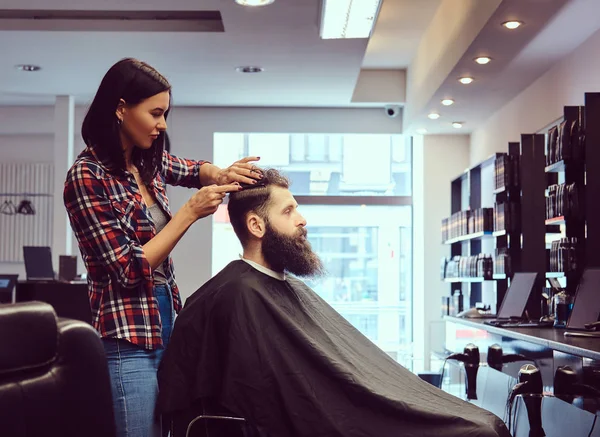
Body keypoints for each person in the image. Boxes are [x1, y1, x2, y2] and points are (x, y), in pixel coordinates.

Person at [157, 168, 511, 437]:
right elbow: (257, 396)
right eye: (289, 211)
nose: (302, 219)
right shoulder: (234, 296)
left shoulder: (280, 288)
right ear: (256, 225)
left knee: (482, 426)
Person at [63, 58, 261, 437]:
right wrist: (188, 213)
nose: (162, 124)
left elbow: (190, 168)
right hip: (127, 336)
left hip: (167, 319)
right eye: (155, 113)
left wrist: (222, 173)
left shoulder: (145, 161)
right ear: (121, 109)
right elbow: (129, 269)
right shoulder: (86, 177)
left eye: (165, 113)